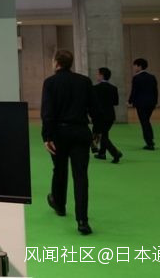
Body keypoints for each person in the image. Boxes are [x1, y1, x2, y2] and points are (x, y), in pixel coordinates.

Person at [41, 49, 97, 235]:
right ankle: (82, 220)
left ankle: (59, 204)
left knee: (59, 169)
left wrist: (47, 137)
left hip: (59, 133)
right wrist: (96, 131)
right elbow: (94, 108)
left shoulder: (50, 83)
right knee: (81, 176)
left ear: (57, 63)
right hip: (80, 132)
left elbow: (47, 112)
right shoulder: (84, 81)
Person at [92, 67, 122, 163]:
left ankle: (115, 153)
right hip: (110, 115)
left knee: (101, 136)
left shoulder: (95, 88)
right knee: (104, 134)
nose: (96, 76)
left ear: (101, 76)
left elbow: (92, 103)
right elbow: (116, 102)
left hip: (99, 116)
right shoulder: (113, 88)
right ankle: (102, 153)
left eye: (97, 74)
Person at [128, 57, 158, 150]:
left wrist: (130, 101)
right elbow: (155, 91)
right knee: (146, 121)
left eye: (135, 66)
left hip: (141, 104)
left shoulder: (136, 78)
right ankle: (150, 140)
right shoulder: (152, 77)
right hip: (151, 103)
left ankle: (149, 142)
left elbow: (134, 91)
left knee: (144, 122)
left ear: (139, 66)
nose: (134, 68)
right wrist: (155, 101)